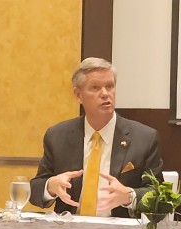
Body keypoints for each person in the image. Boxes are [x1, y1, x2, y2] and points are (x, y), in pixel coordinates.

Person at [29, 57, 163, 218]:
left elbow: (158, 194)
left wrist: (129, 196)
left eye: (110, 86)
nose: (105, 94)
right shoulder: (57, 136)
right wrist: (50, 186)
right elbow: (35, 191)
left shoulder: (144, 138)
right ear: (78, 95)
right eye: (95, 88)